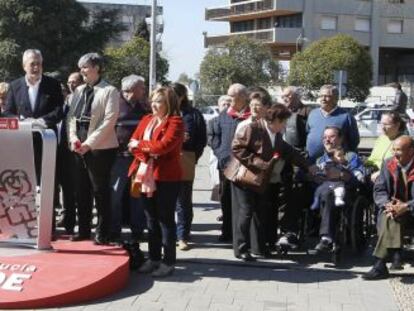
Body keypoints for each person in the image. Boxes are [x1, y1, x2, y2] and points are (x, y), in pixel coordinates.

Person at [228, 103, 312, 261]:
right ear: (275, 120)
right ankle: (240, 249)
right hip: (243, 178)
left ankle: (259, 247)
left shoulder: (277, 134)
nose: (286, 125)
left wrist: (309, 166)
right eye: (284, 122)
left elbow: (289, 152)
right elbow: (237, 147)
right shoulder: (253, 128)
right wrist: (258, 163)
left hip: (259, 179)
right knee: (246, 212)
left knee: (260, 212)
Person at [128, 86, 184, 277]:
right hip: (144, 173)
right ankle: (153, 258)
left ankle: (168, 262)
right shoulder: (146, 120)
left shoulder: (175, 122)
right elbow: (132, 144)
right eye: (153, 100)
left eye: (159, 101)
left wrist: (143, 147)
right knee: (150, 219)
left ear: (168, 103)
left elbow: (163, 147)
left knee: (165, 220)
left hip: (166, 177)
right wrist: (147, 153)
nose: (154, 104)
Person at [67, 53, 119, 245]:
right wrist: (73, 138)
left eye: (86, 67)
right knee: (81, 190)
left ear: (97, 68)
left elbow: (109, 121)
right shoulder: (79, 90)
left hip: (100, 147)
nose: (82, 71)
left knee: (100, 190)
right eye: (80, 67)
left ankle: (103, 232)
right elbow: (72, 117)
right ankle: (83, 230)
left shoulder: (110, 91)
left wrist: (90, 143)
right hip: (78, 143)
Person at [4, 49, 64, 182]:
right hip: (22, 141)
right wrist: (22, 122)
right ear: (24, 66)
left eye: (39, 63)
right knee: (23, 180)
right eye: (32, 64)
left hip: (47, 140)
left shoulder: (53, 85)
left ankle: (51, 203)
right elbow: (7, 112)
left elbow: (59, 110)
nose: (36, 67)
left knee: (47, 180)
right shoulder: (15, 86)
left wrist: (41, 122)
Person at [363, 136, 414, 280]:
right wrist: (387, 204)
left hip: (411, 210)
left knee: (391, 216)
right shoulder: (389, 163)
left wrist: (406, 206)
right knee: (388, 216)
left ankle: (385, 260)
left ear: (411, 151)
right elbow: (379, 189)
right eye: (394, 149)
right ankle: (382, 263)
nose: (395, 153)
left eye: (399, 150)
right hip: (393, 208)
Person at [312, 127, 365, 252]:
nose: (327, 140)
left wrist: (341, 175)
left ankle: (326, 237)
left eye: (331, 137)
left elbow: (360, 179)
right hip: (323, 193)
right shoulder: (320, 160)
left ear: (341, 138)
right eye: (325, 137)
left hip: (346, 193)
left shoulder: (350, 156)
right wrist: (315, 178)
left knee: (330, 194)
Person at [109, 74, 148, 244]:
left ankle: (138, 231)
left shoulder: (145, 106)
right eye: (142, 88)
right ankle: (114, 231)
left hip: (139, 159)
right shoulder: (115, 104)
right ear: (132, 90)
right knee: (115, 195)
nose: (144, 90)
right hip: (118, 158)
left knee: (137, 196)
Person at [211, 83, 251, 242]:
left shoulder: (250, 116)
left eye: (232, 96)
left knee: (243, 203)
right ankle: (227, 231)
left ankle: (242, 235)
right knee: (226, 199)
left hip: (246, 167)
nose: (229, 99)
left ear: (242, 97)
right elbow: (214, 137)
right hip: (226, 164)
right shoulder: (224, 116)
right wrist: (221, 154)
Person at [276, 86, 314, 250]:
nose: (285, 98)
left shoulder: (307, 112)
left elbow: (309, 139)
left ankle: (291, 231)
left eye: (288, 96)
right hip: (280, 160)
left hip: (299, 160)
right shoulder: (279, 112)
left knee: (295, 192)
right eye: (283, 96)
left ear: (297, 96)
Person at [171, 83, 207, 251]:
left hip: (185, 160)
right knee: (164, 202)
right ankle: (168, 234)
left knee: (183, 201)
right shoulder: (162, 112)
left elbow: (201, 139)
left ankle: (182, 236)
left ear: (182, 96)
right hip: (162, 162)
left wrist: (193, 157)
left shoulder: (193, 115)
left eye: (173, 95)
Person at [55, 72, 84, 234]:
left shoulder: (82, 100)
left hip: (75, 148)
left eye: (75, 82)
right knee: (64, 186)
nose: (71, 85)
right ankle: (67, 217)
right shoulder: (64, 100)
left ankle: (74, 221)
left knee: (75, 187)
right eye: (69, 82)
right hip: (60, 148)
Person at [306, 85, 359, 163]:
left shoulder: (346, 117)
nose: (323, 99)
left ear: (335, 99)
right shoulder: (313, 114)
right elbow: (307, 133)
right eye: (321, 96)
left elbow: (354, 141)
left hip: (334, 165)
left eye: (327, 96)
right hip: (311, 163)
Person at [366, 111, 406, 183]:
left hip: (386, 176)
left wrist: (380, 173)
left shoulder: (403, 142)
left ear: (397, 125)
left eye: (386, 124)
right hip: (370, 170)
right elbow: (372, 158)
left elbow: (401, 165)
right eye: (381, 123)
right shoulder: (382, 138)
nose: (382, 127)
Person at [207, 95, 231, 202]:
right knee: (219, 183)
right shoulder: (213, 121)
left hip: (231, 157)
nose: (226, 106)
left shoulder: (235, 121)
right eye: (223, 104)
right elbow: (210, 138)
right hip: (217, 155)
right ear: (219, 106)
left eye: (228, 104)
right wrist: (220, 152)